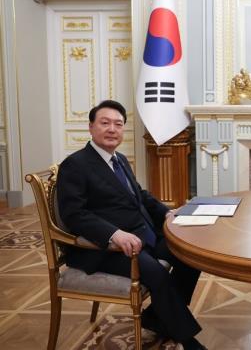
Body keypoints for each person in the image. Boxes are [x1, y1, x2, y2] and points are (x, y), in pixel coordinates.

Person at [57, 100, 206, 350]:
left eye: (118, 124)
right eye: (105, 123)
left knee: (191, 256)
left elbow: (140, 195)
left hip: (143, 234)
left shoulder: (120, 159)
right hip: (104, 247)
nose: (112, 129)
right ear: (91, 127)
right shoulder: (76, 165)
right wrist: (114, 234)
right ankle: (186, 338)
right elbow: (75, 215)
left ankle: (156, 319)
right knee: (157, 274)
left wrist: (167, 214)